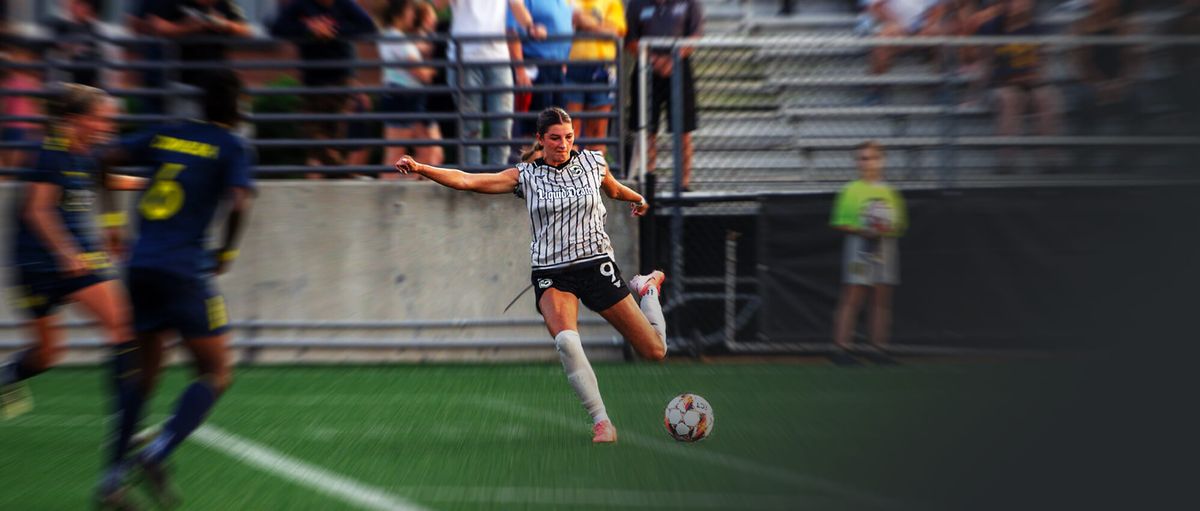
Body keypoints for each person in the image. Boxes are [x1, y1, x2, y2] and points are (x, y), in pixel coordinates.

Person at [395, 107, 667, 443]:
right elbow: (467, 180)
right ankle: (601, 421)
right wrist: (421, 167)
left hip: (597, 265)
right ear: (540, 140)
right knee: (566, 340)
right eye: (554, 138)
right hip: (552, 273)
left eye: (568, 137)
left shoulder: (594, 163)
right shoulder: (525, 176)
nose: (563, 144)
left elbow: (612, 189)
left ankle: (648, 288)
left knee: (655, 351)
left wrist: (637, 197)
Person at [94, 69, 254, 507]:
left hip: (140, 266)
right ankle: (156, 451)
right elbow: (241, 200)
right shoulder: (232, 146)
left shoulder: (168, 133)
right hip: (183, 271)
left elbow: (103, 159)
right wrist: (225, 252)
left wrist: (111, 227)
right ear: (236, 107)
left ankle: (111, 479)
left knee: (143, 376)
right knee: (216, 372)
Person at [1, 85, 137, 449]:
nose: (110, 125)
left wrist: (163, 181)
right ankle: (125, 428)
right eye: (103, 118)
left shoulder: (85, 153)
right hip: (42, 263)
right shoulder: (51, 153)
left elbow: (109, 181)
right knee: (107, 335)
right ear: (77, 120)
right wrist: (65, 252)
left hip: (74, 261)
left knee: (65, 348)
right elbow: (37, 209)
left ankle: (5, 379)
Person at [269, 0, 378, 177]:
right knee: (313, 136)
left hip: (340, 81)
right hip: (312, 82)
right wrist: (308, 29)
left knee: (332, 139)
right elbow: (277, 28)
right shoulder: (301, 6)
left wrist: (334, 30)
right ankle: (342, 175)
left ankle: (338, 178)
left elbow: (368, 27)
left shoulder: (345, 5)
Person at [829, 141, 907, 366]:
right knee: (853, 296)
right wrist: (864, 230)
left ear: (881, 161)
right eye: (862, 159)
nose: (867, 163)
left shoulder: (889, 192)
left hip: (885, 248)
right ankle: (841, 348)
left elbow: (899, 224)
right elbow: (840, 223)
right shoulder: (850, 190)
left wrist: (884, 228)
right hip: (859, 248)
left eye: (871, 158)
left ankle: (878, 348)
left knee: (881, 298)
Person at [440, 0, 544, 168]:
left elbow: (516, 5)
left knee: (502, 124)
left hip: (497, 56)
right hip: (464, 57)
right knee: (470, 127)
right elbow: (439, 5)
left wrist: (530, 25)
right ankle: (473, 181)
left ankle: (497, 178)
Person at [966, 0, 1061, 172]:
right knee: (1010, 98)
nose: (1021, 4)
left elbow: (1042, 65)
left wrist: (1035, 78)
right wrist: (975, 94)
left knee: (1046, 97)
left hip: (1030, 83)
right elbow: (986, 65)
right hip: (1001, 84)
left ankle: (1049, 160)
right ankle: (1006, 161)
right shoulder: (991, 28)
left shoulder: (1036, 29)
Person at [625, 0, 704, 191]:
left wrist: (674, 58)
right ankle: (648, 181)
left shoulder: (689, 3)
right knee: (646, 129)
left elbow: (695, 34)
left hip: (679, 67)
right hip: (645, 68)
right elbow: (630, 38)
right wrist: (652, 60)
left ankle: (683, 184)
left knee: (683, 130)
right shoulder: (637, 4)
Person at [378, 0, 439, 175]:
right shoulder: (394, 38)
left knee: (430, 150)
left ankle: (412, 192)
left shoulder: (397, 37)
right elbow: (421, 73)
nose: (414, 15)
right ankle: (387, 197)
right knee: (395, 156)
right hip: (401, 99)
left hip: (411, 100)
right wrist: (432, 71)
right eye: (411, 11)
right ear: (401, 13)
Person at [140, 0, 253, 88]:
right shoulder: (175, 2)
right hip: (182, 76)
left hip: (217, 78)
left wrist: (224, 24)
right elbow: (157, 26)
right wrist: (190, 27)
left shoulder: (225, 3)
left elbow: (246, 30)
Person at [565, 0, 625, 155]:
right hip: (573, 67)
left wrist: (586, 23)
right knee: (570, 132)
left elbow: (615, 33)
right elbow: (564, 23)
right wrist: (599, 26)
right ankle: (570, 177)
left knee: (597, 133)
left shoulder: (612, 2)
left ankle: (595, 178)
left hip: (602, 70)